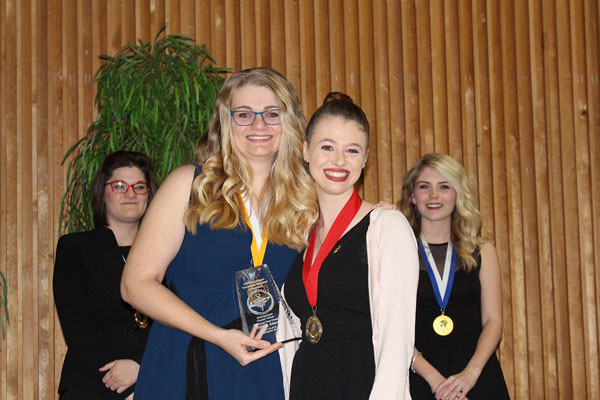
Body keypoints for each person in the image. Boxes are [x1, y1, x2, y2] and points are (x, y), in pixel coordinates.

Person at [120, 67, 318, 399]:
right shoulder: (189, 184)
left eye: (272, 114)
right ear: (226, 122)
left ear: (290, 122)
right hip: (186, 362)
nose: (258, 125)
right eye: (244, 114)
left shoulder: (306, 203)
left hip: (266, 370)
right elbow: (135, 284)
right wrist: (216, 335)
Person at [280, 92, 419, 400]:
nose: (339, 161)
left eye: (352, 150)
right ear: (305, 151)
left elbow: (398, 339)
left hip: (363, 384)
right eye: (327, 147)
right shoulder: (300, 235)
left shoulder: (387, 227)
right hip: (308, 383)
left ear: (366, 158)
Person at [399, 153, 509, 400]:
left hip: (477, 379)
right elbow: (393, 327)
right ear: (412, 196)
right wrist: (435, 381)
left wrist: (470, 375)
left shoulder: (483, 251)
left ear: (457, 194)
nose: (434, 196)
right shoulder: (397, 253)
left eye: (444, 186)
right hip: (421, 381)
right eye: (424, 187)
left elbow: (493, 320)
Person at [53, 150, 156, 399]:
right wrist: (120, 384)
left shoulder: (169, 254)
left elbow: (178, 326)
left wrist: (140, 367)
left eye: (139, 186)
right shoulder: (75, 248)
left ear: (150, 196)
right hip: (92, 380)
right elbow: (77, 329)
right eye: (120, 186)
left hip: (155, 377)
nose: (131, 194)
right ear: (103, 192)